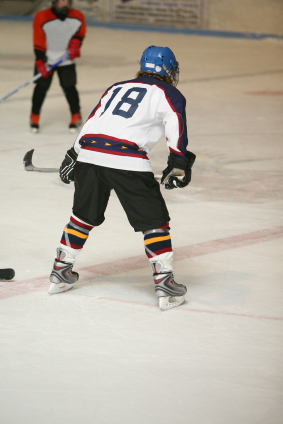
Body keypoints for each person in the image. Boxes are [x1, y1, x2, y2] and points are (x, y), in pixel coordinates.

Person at [48, 45, 196, 311]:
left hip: (90, 154)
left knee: (82, 216)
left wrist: (74, 153)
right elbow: (175, 126)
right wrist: (179, 163)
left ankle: (60, 271)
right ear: (169, 70)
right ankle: (165, 282)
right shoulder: (170, 92)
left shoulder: (116, 87)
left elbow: (93, 121)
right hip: (127, 160)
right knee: (154, 222)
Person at [30, 0, 86, 133]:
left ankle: (76, 115)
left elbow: (81, 32)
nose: (64, 4)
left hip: (66, 60)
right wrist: (39, 60)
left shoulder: (77, 15)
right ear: (54, 2)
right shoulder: (41, 16)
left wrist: (77, 41)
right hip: (46, 59)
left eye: (67, 1)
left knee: (69, 87)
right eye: (61, 1)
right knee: (41, 88)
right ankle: (34, 116)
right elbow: (38, 38)